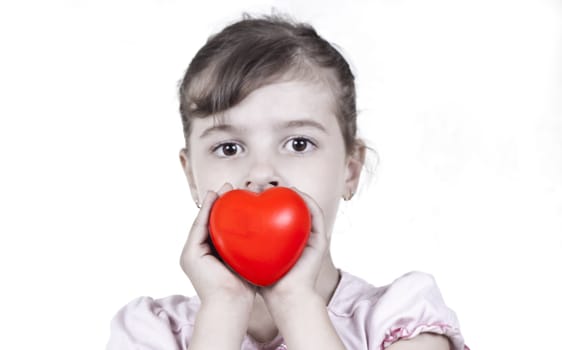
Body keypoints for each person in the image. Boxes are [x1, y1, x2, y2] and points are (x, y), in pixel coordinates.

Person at [106, 13, 468, 350]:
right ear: (191, 176)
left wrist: (297, 303)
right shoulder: (151, 332)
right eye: (229, 148)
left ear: (350, 170)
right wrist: (224, 308)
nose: (261, 172)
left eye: (298, 144)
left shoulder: (403, 320)